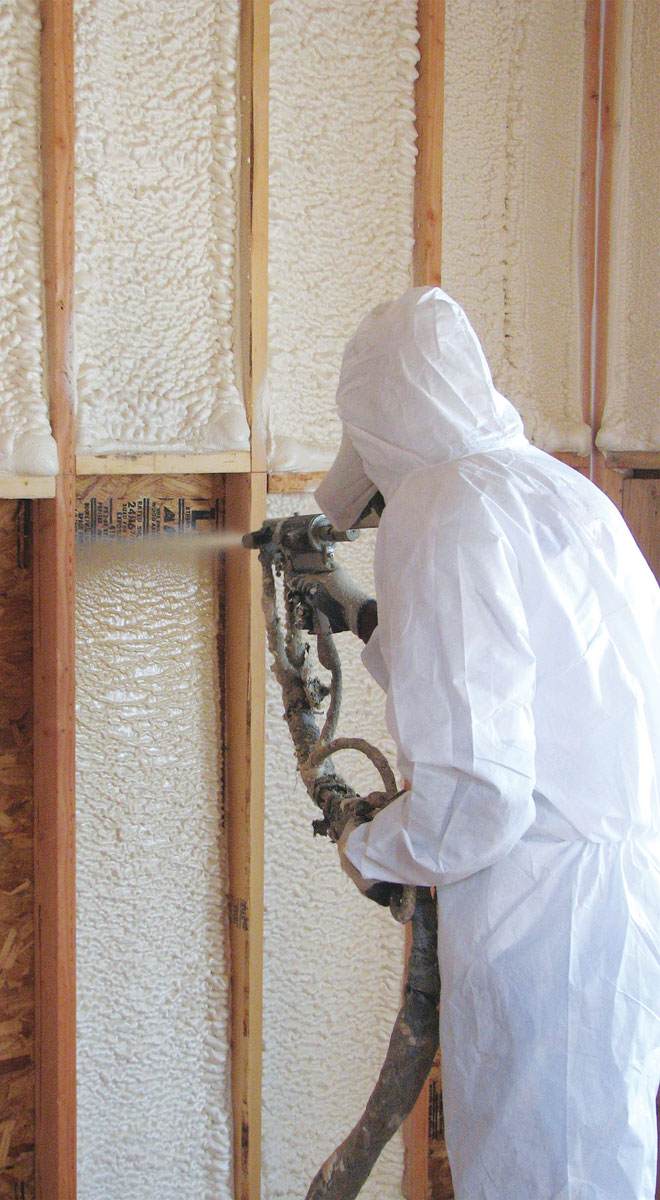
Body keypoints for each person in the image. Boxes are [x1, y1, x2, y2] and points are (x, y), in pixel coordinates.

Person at [314, 285, 660, 1200]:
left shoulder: (441, 513)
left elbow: (477, 792)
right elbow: (511, 686)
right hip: (621, 891)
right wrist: (366, 621)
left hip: (542, 917)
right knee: (608, 1155)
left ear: (380, 418)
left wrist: (370, 844)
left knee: (539, 1170)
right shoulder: (553, 488)